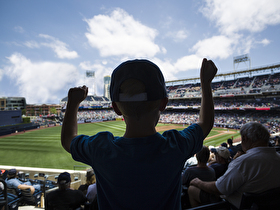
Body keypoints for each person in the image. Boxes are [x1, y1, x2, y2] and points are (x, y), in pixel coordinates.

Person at [61, 58, 217, 210]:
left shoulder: (100, 148)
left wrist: (73, 103)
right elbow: (205, 123)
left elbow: (68, 140)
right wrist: (206, 83)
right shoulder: (176, 145)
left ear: (116, 108)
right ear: (163, 103)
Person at [188, 122, 280, 209]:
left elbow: (219, 189)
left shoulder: (243, 161)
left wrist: (198, 182)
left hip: (233, 205)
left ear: (244, 138)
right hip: (268, 206)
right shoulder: (278, 157)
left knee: (192, 189)